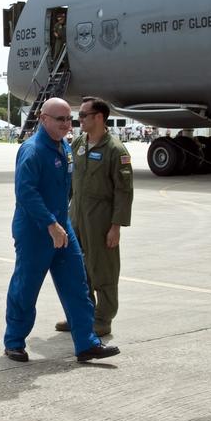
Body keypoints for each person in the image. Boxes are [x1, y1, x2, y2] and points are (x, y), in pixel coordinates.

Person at [3, 97, 120, 363]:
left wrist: (62, 222)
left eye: (70, 119)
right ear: (43, 119)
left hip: (61, 227)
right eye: (60, 119)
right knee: (26, 288)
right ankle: (14, 341)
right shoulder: (32, 150)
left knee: (77, 285)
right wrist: (50, 224)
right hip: (36, 230)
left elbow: (68, 187)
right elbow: (26, 192)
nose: (67, 125)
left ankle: (86, 343)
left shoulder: (64, 147)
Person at [56, 97, 133, 337]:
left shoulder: (115, 150)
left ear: (98, 117)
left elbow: (124, 191)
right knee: (77, 269)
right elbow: (70, 180)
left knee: (103, 270)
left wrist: (116, 226)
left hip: (101, 219)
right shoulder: (78, 143)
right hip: (76, 215)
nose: (79, 121)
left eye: (83, 116)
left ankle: (103, 319)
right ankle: (81, 315)